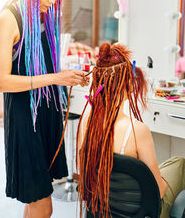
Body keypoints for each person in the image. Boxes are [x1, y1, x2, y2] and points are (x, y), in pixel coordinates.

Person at [0, 0, 89, 218]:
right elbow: (2, 81)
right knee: (42, 205)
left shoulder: (43, 17)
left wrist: (66, 75)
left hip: (45, 116)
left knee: (36, 198)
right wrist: (57, 77)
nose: (52, 0)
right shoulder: (9, 18)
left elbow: (41, 65)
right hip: (25, 120)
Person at [77, 42, 185, 218]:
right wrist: (163, 181)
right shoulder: (137, 130)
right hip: (143, 213)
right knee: (180, 164)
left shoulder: (86, 123)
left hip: (100, 212)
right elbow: (159, 191)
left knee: (172, 164)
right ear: (127, 86)